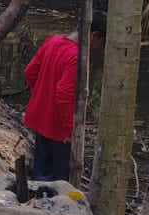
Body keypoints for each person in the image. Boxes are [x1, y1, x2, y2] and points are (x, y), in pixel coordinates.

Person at [22, 12, 107, 182]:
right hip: (58, 129)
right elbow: (64, 93)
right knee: (58, 181)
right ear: (94, 35)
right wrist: (69, 129)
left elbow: (29, 72)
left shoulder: (52, 41)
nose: (99, 48)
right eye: (101, 42)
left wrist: (39, 95)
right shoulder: (77, 57)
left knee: (41, 172)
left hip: (40, 120)